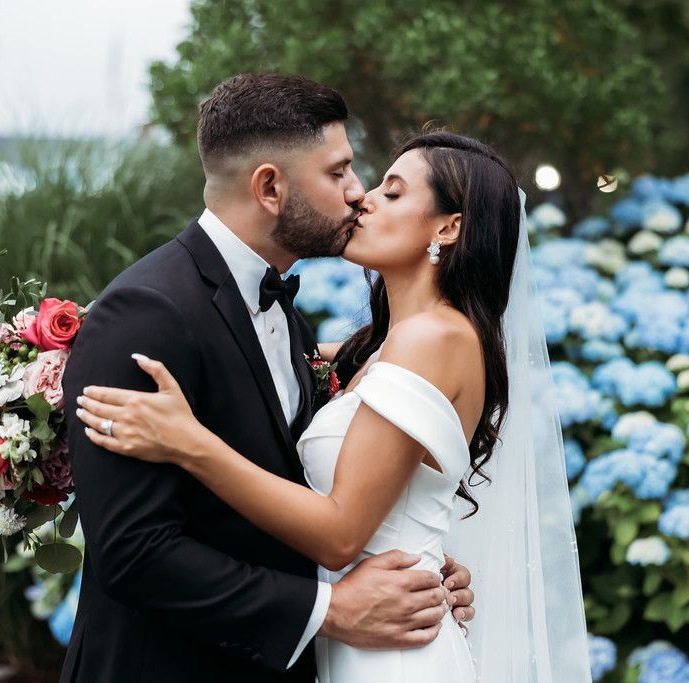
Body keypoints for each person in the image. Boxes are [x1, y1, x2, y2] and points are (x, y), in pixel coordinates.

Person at [75, 128, 592, 681]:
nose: (361, 197)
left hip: (390, 650)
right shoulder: (377, 345)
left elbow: (341, 533)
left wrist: (191, 443)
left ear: (449, 226)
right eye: (350, 177)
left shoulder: (434, 339)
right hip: (352, 639)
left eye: (392, 192)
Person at [59, 74, 476, 683]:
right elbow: (133, 552)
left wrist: (414, 564)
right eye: (338, 173)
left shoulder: (288, 317)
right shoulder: (146, 314)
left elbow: (314, 491)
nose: (357, 194)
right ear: (271, 187)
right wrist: (330, 610)